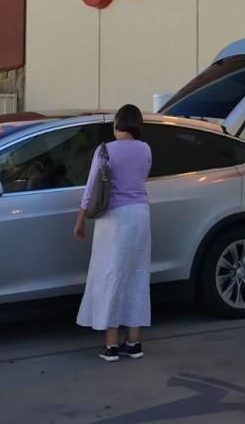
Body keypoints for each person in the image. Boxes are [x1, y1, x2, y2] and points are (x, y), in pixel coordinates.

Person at [74, 104, 153, 362]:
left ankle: (110, 346)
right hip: (140, 216)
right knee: (136, 275)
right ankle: (134, 342)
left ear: (118, 124)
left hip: (114, 220)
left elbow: (91, 188)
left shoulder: (105, 150)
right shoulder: (145, 150)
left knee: (111, 275)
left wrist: (81, 219)